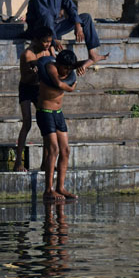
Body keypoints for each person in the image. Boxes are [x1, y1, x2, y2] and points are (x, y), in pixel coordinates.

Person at [36, 49, 93, 201]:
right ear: (59, 63)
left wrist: (86, 64)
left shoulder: (69, 71)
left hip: (58, 113)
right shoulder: (51, 67)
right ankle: (48, 189)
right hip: (45, 111)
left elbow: (87, 62)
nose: (67, 71)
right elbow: (57, 83)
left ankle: (60, 187)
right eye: (65, 68)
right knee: (53, 149)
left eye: (70, 69)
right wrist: (71, 88)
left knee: (65, 150)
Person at [26, 0, 109, 65]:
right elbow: (44, 15)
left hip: (54, 26)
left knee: (86, 17)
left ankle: (92, 53)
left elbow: (70, 7)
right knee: (47, 17)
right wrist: (54, 39)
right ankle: (52, 49)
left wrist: (77, 24)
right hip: (40, 28)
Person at [15, 26, 54, 172]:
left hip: (40, 89)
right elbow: (26, 77)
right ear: (36, 40)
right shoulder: (27, 55)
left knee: (45, 124)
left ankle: (45, 163)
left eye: (49, 42)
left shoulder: (48, 51)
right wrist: (35, 74)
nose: (47, 45)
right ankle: (18, 162)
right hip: (26, 88)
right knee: (27, 123)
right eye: (45, 42)